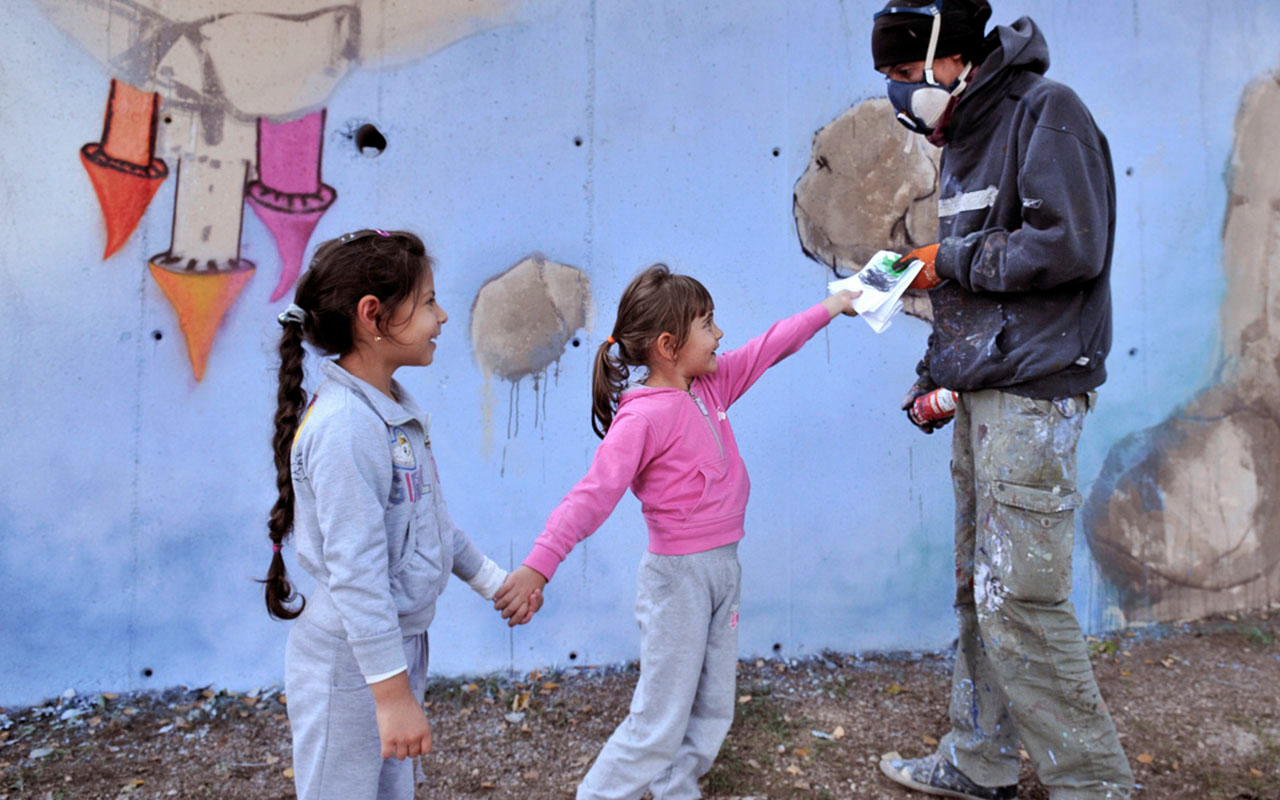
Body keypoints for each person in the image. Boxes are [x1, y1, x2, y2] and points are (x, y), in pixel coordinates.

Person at [868, 2, 1133, 799]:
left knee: (1018, 597)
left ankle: (1095, 786)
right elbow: (976, 293)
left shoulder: (1047, 114)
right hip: (987, 398)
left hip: (1035, 398)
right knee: (978, 593)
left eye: (909, 75)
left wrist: (946, 259)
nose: (901, 95)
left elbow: (1069, 247)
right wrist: (938, 377)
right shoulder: (965, 139)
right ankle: (978, 762)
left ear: (953, 54)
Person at [493, 265, 858, 799]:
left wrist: (835, 304)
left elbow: (773, 345)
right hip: (677, 580)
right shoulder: (641, 420)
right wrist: (538, 564)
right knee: (659, 719)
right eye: (708, 324)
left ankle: (676, 790)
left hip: (722, 570)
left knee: (713, 705)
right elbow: (591, 496)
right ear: (668, 345)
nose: (720, 335)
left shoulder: (711, 385)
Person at [262, 228, 541, 800]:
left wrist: (494, 583)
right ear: (373, 316)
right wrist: (391, 698)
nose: (441, 317)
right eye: (428, 302)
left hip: (390, 649)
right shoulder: (346, 429)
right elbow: (358, 574)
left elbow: (430, 526)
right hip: (351, 662)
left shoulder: (389, 413)